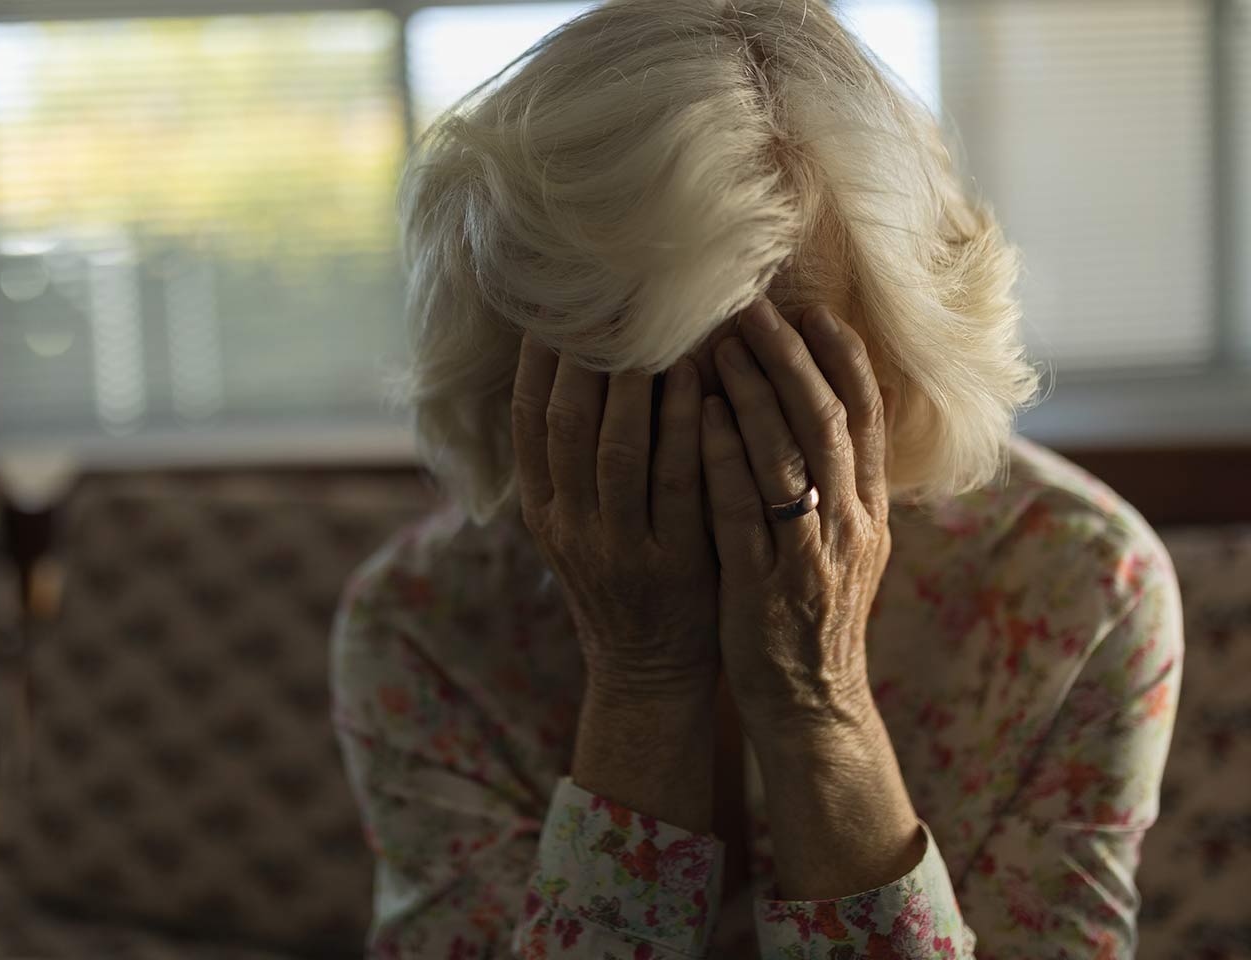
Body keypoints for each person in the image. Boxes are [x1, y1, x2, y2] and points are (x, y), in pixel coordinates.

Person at [329, 0, 1184, 955]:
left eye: (781, 388)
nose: (718, 459)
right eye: (646, 391)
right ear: (522, 378)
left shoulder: (1078, 586)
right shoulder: (422, 620)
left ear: (903, 368)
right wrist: (643, 683)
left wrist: (817, 699)